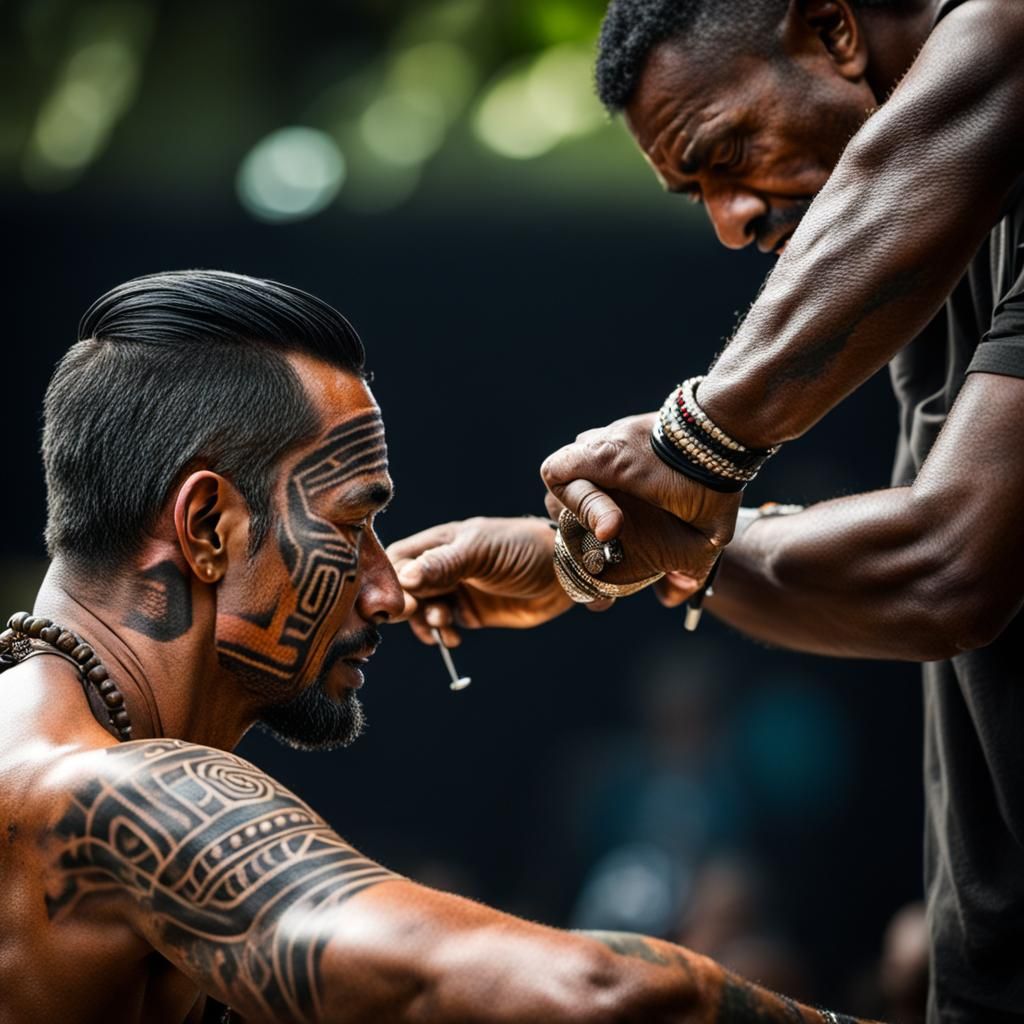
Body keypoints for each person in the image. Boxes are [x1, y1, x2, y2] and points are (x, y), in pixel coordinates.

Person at [1, 269, 879, 1024]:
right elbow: (594, 994)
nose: (385, 588)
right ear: (206, 527)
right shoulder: (128, 795)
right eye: (355, 524)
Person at [390, 1, 1024, 1021]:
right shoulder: (935, 262)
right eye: (696, 191)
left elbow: (943, 567)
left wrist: (692, 444)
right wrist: (592, 559)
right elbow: (918, 564)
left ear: (834, 30)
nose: (731, 223)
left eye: (727, 153)